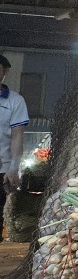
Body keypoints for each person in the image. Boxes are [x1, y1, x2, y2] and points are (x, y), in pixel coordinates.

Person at [0, 55, 29, 213]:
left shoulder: (15, 101)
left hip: (2, 168)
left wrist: (13, 168)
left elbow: (17, 136)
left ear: (5, 71)